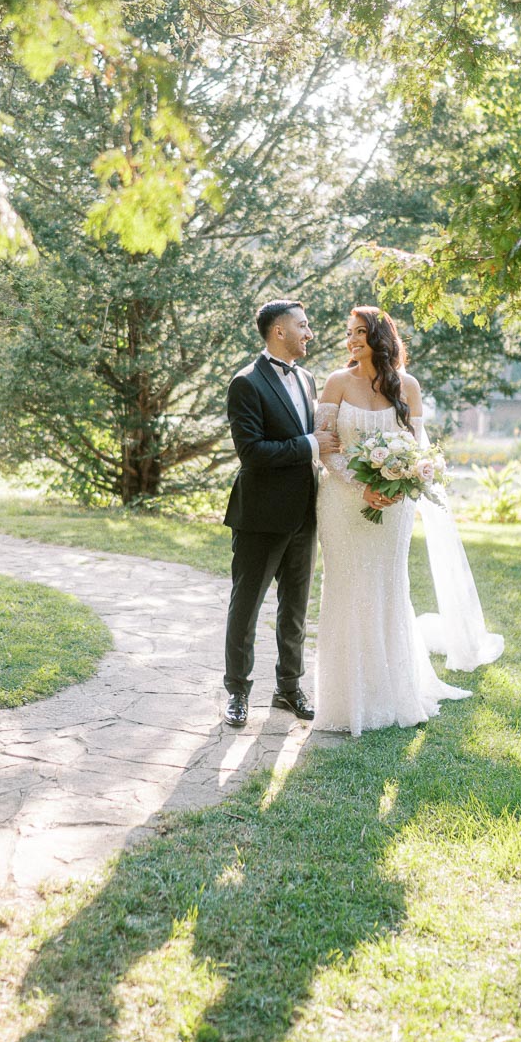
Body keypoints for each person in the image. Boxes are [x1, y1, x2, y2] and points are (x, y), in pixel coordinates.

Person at [313, 305, 504, 736]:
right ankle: (345, 699)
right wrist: (361, 487)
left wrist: (396, 482)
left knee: (387, 589)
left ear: (380, 337)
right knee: (346, 591)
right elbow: (327, 448)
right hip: (344, 502)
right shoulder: (336, 383)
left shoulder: (408, 387)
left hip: (394, 506)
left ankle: (390, 691)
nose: (352, 340)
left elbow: (414, 451)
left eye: (361, 332)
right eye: (349, 333)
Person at [222, 300, 340, 728]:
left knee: (295, 610)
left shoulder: (307, 378)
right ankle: (237, 691)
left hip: (304, 515)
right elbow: (252, 454)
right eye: (303, 325)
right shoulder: (246, 383)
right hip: (259, 517)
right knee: (247, 606)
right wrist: (312, 445)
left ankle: (288, 689)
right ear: (279, 332)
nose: (309, 333)